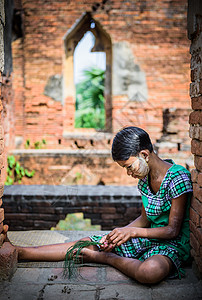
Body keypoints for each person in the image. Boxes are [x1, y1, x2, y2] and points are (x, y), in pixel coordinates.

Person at [6, 126, 193, 284]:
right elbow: (145, 220)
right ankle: (22, 252)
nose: (128, 173)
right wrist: (119, 233)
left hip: (172, 244)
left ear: (144, 154)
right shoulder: (144, 181)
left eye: (129, 166)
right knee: (88, 243)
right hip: (149, 238)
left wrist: (131, 233)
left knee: (150, 272)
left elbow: (172, 230)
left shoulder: (177, 177)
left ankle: (106, 259)